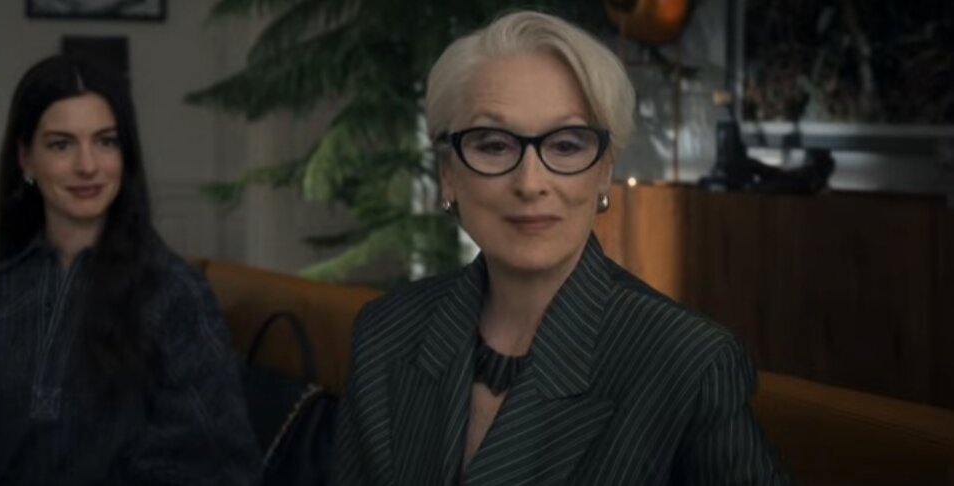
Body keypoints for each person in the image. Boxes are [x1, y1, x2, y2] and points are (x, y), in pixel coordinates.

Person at [334, 11, 791, 485]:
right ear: (449, 174)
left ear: (604, 171)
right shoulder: (385, 332)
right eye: (494, 145)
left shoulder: (689, 362)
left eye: (567, 145)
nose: (531, 183)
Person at [0, 55, 261, 485]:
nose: (88, 165)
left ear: (125, 155)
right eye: (61, 145)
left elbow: (216, 467)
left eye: (106, 142)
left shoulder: (176, 296)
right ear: (26, 159)